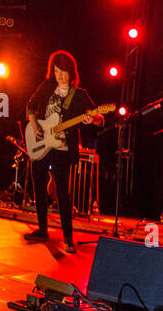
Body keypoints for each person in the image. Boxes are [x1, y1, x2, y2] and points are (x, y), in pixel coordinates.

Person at [25, 51, 104, 252]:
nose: (60, 75)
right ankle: (43, 229)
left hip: (63, 148)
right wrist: (34, 126)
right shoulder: (46, 87)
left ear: (71, 72)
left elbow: (99, 119)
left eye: (63, 71)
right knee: (39, 187)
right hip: (42, 143)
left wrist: (92, 119)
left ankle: (68, 237)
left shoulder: (79, 95)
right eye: (56, 71)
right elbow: (30, 107)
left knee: (62, 192)